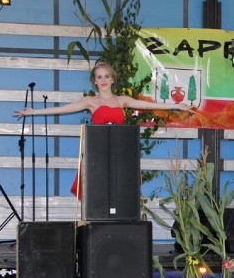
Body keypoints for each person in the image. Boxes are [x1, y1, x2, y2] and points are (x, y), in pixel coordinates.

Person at [14, 61, 193, 195]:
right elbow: (62, 109)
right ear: (95, 81)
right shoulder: (90, 101)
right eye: (99, 77)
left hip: (118, 151)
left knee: (117, 188)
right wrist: (33, 112)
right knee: (95, 188)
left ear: (112, 79)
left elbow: (148, 105)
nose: (103, 80)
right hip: (97, 152)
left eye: (106, 76)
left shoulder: (122, 100)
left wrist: (175, 106)